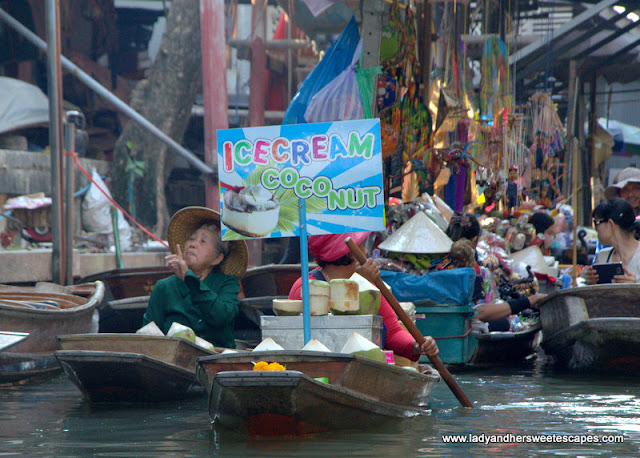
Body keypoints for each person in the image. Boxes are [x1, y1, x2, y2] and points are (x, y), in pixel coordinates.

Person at [288, 231, 439, 361]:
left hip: (365, 368)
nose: (365, 252)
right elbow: (329, 334)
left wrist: (416, 345)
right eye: (360, 246)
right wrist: (357, 283)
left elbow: (392, 331)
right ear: (345, 252)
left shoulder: (368, 285)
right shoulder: (306, 288)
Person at [142, 206, 248, 348]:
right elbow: (147, 335)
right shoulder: (164, 287)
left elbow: (221, 317)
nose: (192, 244)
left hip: (215, 361)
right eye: (192, 239)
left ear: (217, 258)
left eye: (202, 241)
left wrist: (190, 278)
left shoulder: (227, 283)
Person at [445, 212, 546, 327]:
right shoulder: (472, 270)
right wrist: (528, 302)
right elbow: (478, 311)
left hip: (441, 318)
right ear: (474, 240)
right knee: (503, 323)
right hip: (459, 323)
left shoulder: (438, 261)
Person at [582, 198, 640, 284]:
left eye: (597, 222)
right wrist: (591, 281)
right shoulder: (603, 257)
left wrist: (635, 286)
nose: (596, 229)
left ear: (610, 224)